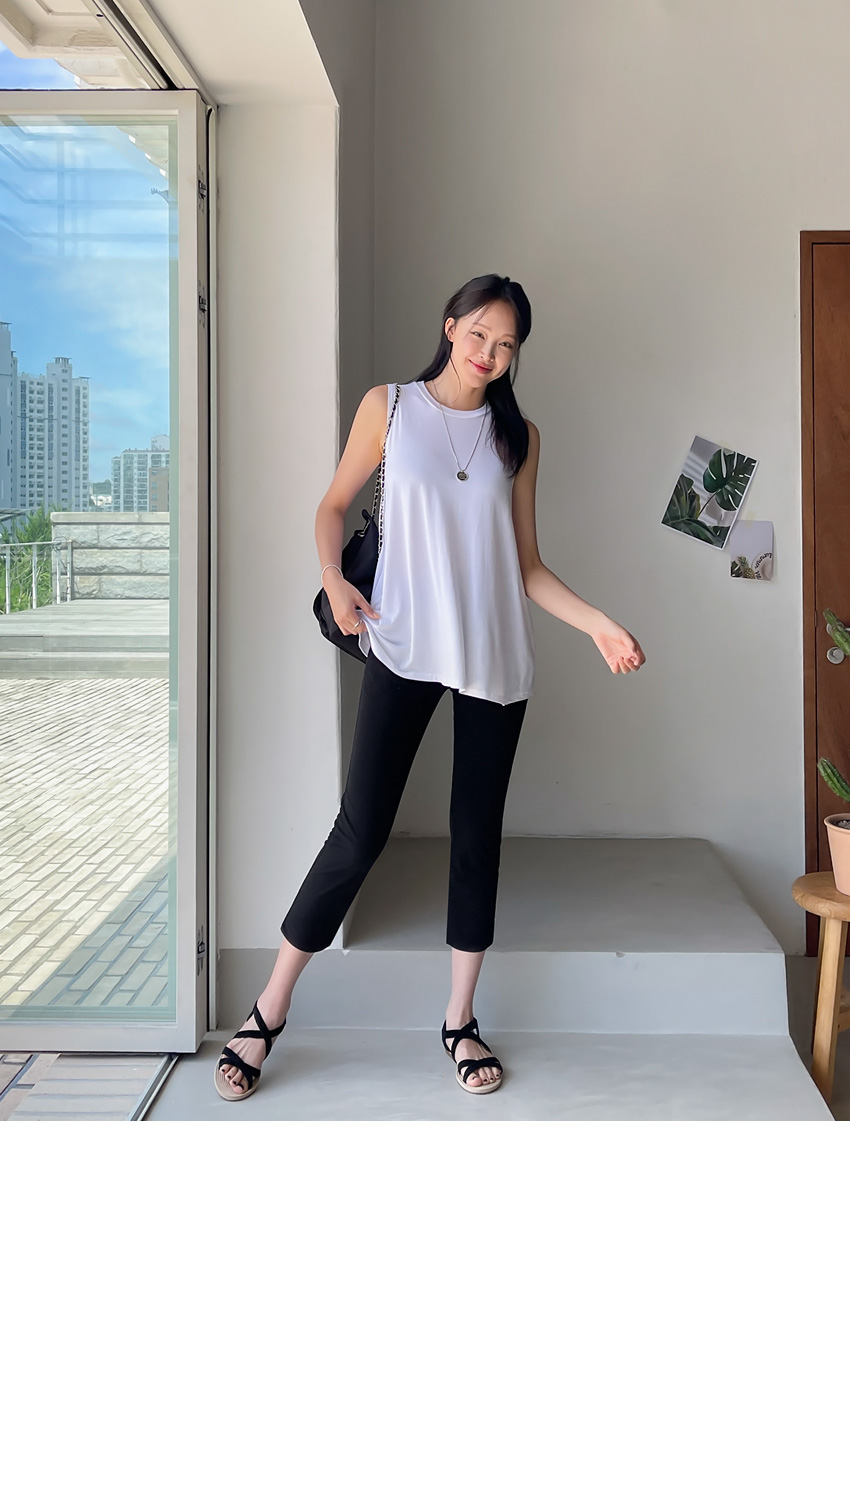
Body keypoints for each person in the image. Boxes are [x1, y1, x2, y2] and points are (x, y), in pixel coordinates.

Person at [215, 273, 646, 1102]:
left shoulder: (520, 438)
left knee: (475, 838)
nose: (490, 354)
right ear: (451, 326)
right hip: (404, 645)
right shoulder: (390, 408)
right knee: (359, 832)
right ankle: (268, 1008)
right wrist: (334, 579)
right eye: (479, 334)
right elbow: (332, 506)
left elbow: (527, 566)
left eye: (507, 345)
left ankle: (459, 1019)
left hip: (494, 656)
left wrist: (596, 622)